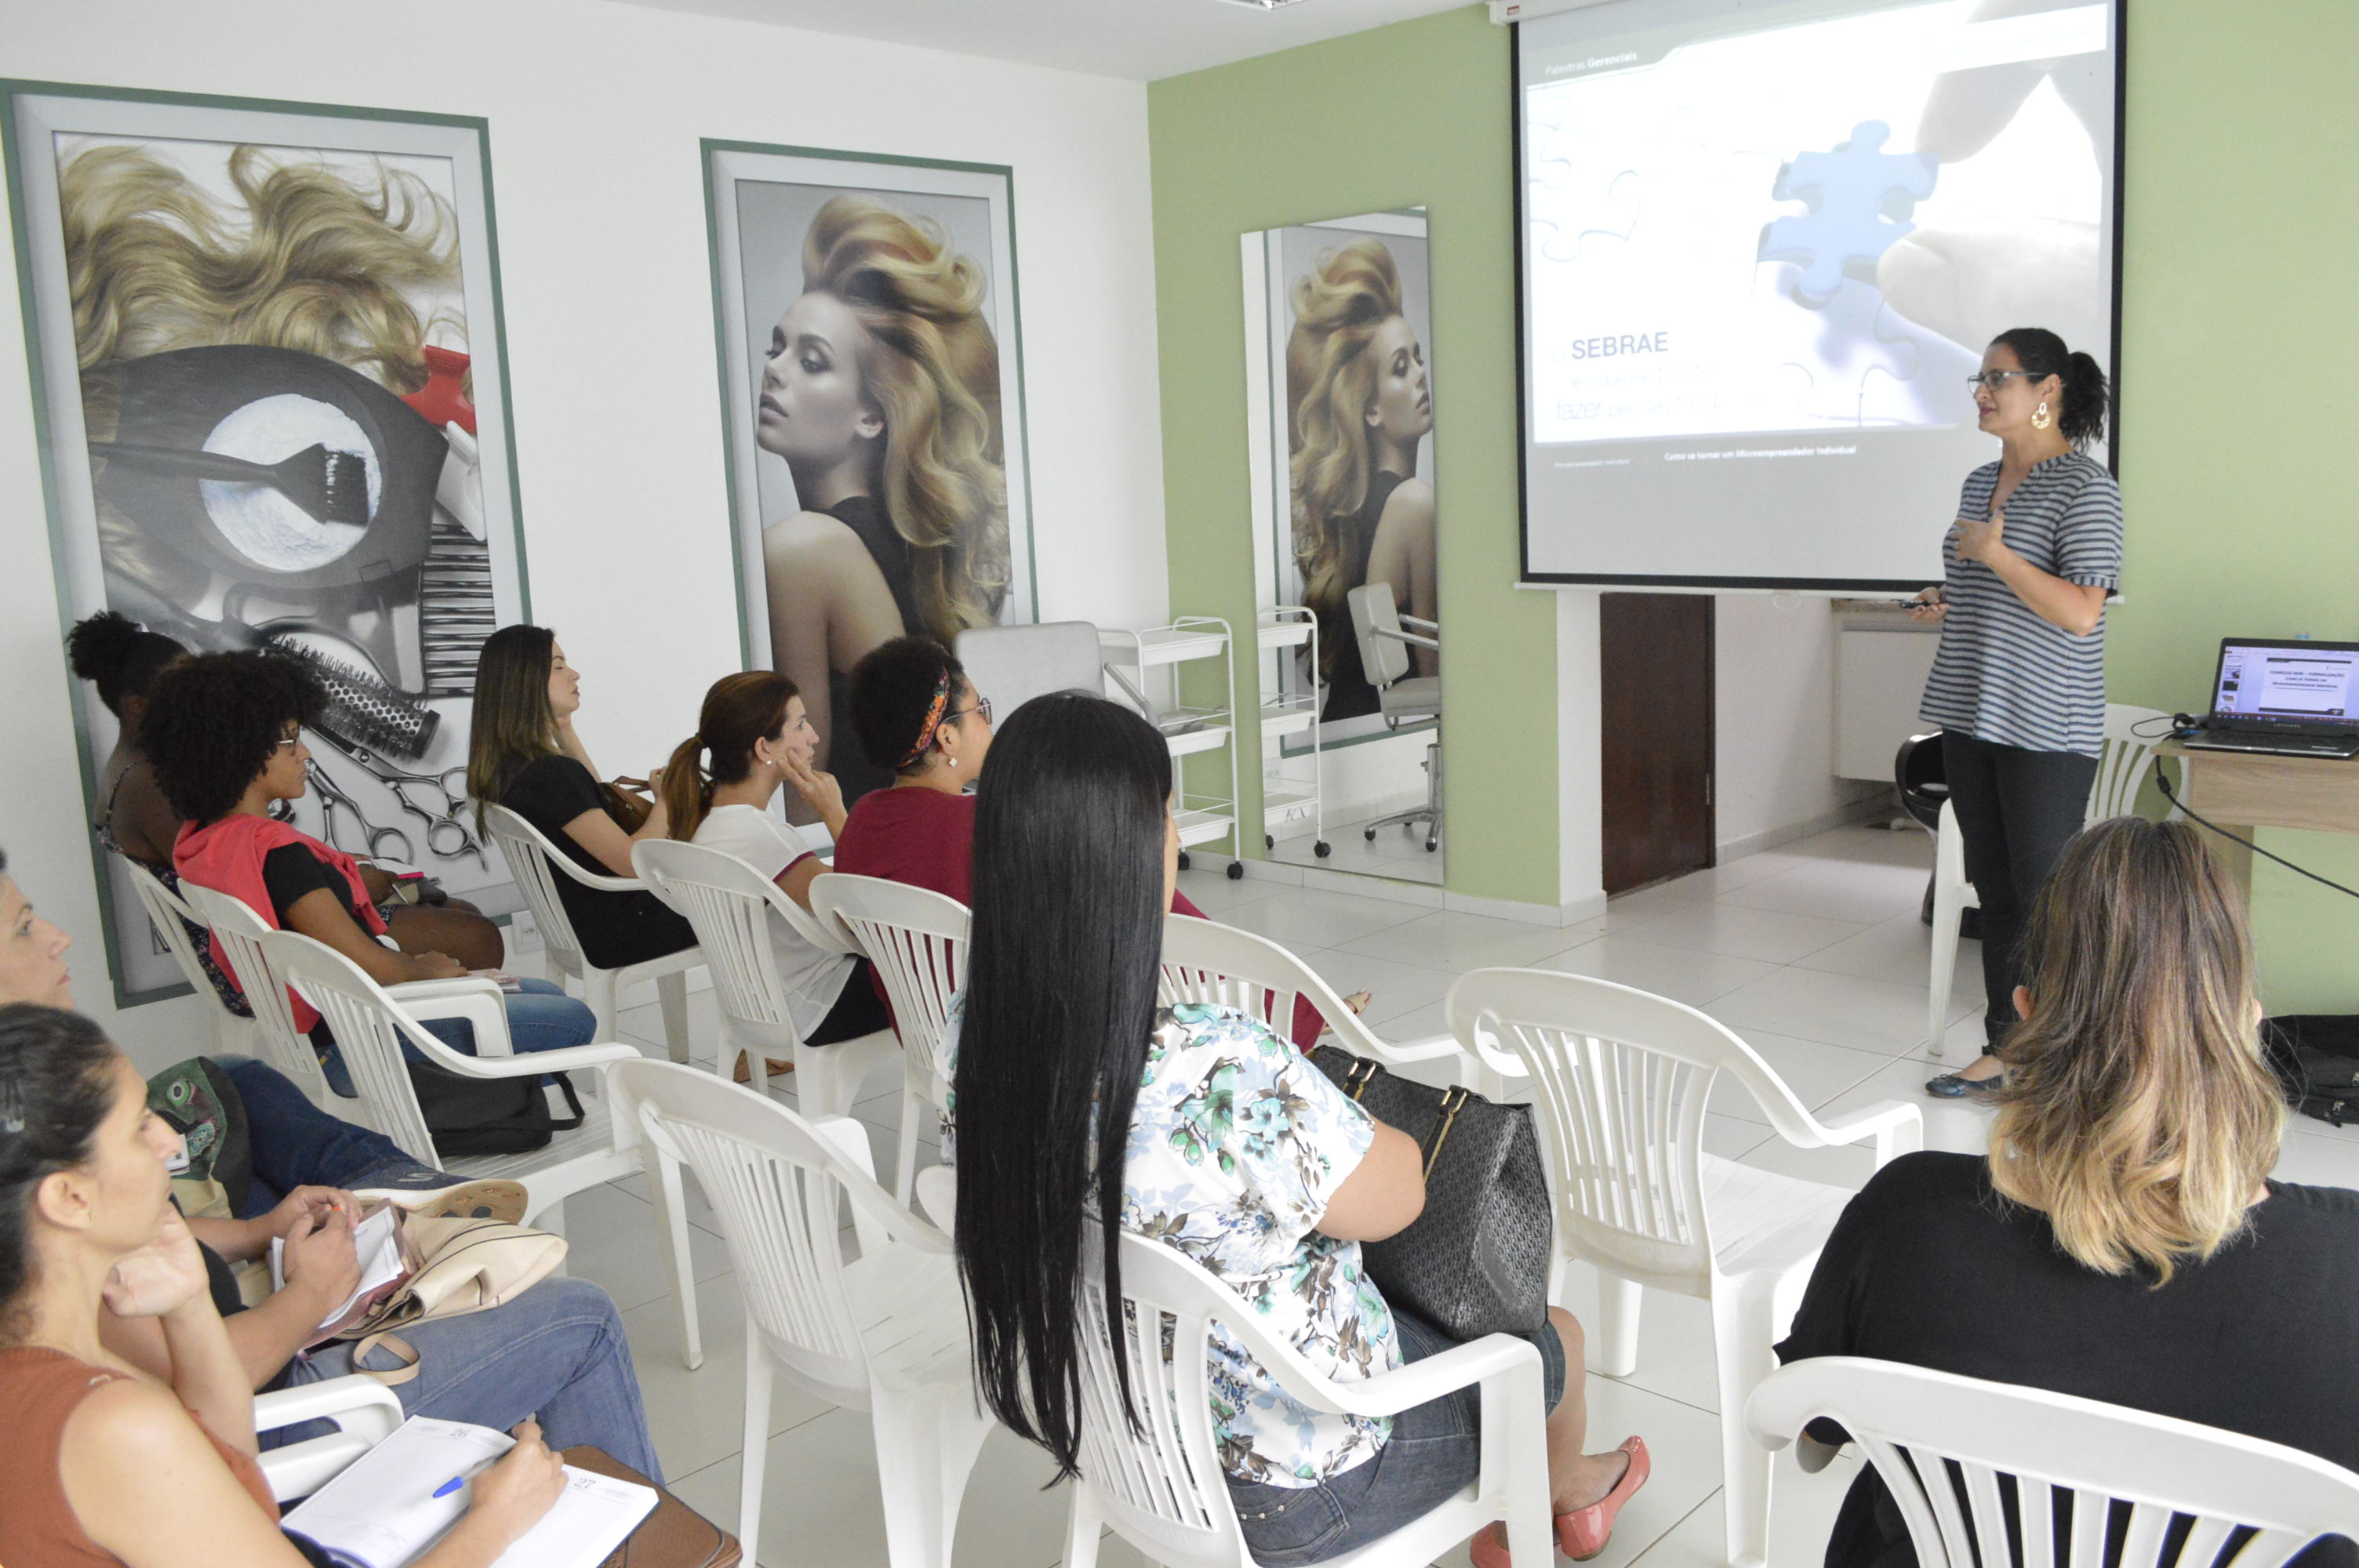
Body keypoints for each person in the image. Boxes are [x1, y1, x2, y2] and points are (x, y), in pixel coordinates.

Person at [949, 692, 1648, 1566]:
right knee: (1557, 1340)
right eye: (1167, 815)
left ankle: (1561, 1489)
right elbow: (1400, 1194)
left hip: (1130, 1434)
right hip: (1304, 1480)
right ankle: (1537, 1513)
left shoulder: (970, 1039)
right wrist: (1316, 1102)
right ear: (1135, 850)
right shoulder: (1222, 1064)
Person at [1779, 819, 2359, 1568]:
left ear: (2025, 1018)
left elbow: (1814, 1442)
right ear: (2247, 1024)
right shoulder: (2343, 1267)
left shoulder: (1906, 1215)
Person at [0, 852, 662, 1479]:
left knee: (238, 1082)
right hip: (283, 1403)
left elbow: (142, 1261)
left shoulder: (43, 1131)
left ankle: (413, 1201)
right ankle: (420, 1204)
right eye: (25, 929)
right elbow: (206, 1391)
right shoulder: (41, 1171)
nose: (57, 937)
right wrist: (310, 1295)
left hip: (246, 1330)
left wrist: (258, 1235)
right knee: (584, 1317)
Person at [0, 1003, 569, 1568]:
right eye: (136, 1129)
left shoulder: (51, 1358)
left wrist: (191, 1302)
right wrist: (494, 1522)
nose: (170, 1143)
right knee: (577, 1318)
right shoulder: (112, 1423)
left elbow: (230, 1474)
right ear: (70, 1199)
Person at [834, 637, 1347, 1049]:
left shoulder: (860, 821)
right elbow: (1152, 919)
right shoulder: (989, 822)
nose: (989, 722)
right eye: (981, 710)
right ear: (946, 738)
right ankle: (1292, 1013)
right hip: (1034, 1041)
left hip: (931, 1041)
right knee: (1137, 896)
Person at [141, 652, 598, 1088]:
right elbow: (372, 968)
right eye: (290, 740)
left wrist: (416, 962)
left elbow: (346, 955)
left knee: (539, 992)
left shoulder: (207, 839)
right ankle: (480, 1108)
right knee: (573, 1017)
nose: (304, 755)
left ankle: (493, 1099)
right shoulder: (279, 856)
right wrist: (433, 972)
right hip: (362, 1041)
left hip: (341, 1023)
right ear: (241, 749)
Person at [1910, 327, 2121, 1096]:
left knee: (2044, 899)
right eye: (1979, 376)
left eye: (1996, 378)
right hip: (1970, 711)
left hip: (2042, 728)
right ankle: (2005, 1045)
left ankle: (2062, 1059)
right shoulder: (1976, 481)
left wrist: (1997, 558)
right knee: (1994, 893)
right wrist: (1949, 595)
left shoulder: (2084, 487)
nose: (1980, 390)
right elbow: (1995, 590)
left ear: (2047, 392)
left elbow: (2079, 613)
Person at [66, 612, 504, 973]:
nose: (198, 695)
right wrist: (357, 882)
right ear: (137, 705)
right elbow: (258, 888)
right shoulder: (148, 786)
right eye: (181, 686)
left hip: (277, 932)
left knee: (456, 912)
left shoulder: (135, 771)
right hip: (270, 955)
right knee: (475, 936)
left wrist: (342, 871)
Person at [755, 195, 1011, 804]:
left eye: (811, 360)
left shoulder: (804, 549)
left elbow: (802, 788)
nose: (775, 372)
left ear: (872, 414)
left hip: (866, 854)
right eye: (775, 348)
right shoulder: (891, 546)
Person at [659, 671, 892, 1080]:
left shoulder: (706, 819)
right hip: (811, 1007)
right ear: (765, 747)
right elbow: (864, 922)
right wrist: (836, 815)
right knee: (947, 970)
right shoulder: (761, 835)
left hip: (754, 1006)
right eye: (800, 725)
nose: (814, 736)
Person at [467, 626, 697, 971]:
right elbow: (632, 863)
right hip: (619, 930)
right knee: (751, 903)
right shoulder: (550, 774)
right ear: (525, 682)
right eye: (558, 667)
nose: (575, 674)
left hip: (582, 927)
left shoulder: (506, 770)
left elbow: (592, 797)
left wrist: (564, 728)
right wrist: (666, 801)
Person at [1287, 239, 1437, 722]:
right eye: (1400, 367)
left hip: (1348, 723)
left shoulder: (1359, 513)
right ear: (1370, 409)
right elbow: (1439, 678)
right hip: (1390, 732)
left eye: (1418, 357)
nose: (1420, 375)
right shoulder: (1413, 504)